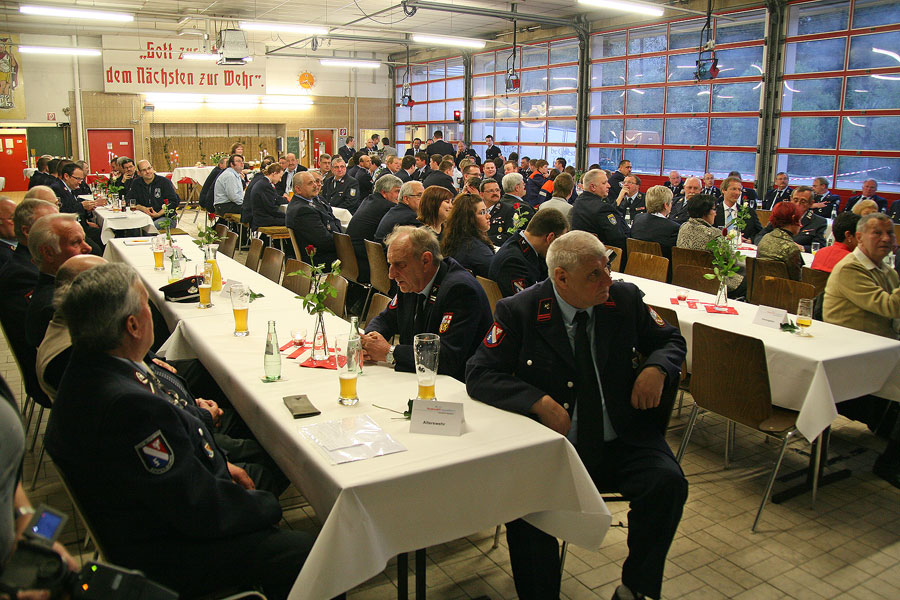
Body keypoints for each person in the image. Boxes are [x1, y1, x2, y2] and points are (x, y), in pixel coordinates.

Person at [45, 263, 313, 598]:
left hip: (142, 517)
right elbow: (197, 506)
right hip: (164, 552)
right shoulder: (129, 406)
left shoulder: (90, 366)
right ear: (133, 326)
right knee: (306, 556)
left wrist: (218, 463)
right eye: (146, 305)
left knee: (264, 461)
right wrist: (264, 507)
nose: (150, 312)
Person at [466, 230, 688, 600]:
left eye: (607, 269)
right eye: (594, 275)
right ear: (562, 278)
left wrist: (657, 368)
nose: (607, 281)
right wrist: (538, 401)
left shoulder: (624, 299)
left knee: (668, 483)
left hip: (622, 438)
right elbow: (480, 373)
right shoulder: (521, 310)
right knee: (524, 506)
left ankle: (635, 589)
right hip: (556, 450)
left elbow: (671, 340)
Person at [823, 212, 900, 487]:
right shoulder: (851, 268)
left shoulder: (886, 271)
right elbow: (890, 307)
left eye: (890, 233)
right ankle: (890, 463)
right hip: (850, 355)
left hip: (878, 348)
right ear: (858, 238)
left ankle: (887, 430)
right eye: (877, 233)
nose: (886, 239)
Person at [361, 226, 491, 381]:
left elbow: (447, 358)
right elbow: (386, 319)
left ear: (426, 261)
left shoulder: (460, 290)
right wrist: (368, 341)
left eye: (400, 265)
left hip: (457, 385)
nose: (391, 274)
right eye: (390, 264)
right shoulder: (411, 281)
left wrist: (390, 352)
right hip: (418, 377)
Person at [25, 213, 92, 347]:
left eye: (84, 240)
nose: (88, 248)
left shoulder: (57, 290)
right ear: (48, 253)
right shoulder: (56, 308)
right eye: (76, 242)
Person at [490, 208, 568, 297]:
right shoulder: (513, 261)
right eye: (559, 242)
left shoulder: (525, 248)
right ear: (550, 238)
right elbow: (524, 301)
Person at [677, 195, 744, 294]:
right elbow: (732, 259)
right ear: (705, 212)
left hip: (685, 277)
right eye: (714, 209)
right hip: (711, 280)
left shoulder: (683, 227)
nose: (715, 213)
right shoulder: (714, 234)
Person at [346, 175, 402, 281]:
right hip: (366, 260)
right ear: (384, 192)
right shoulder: (387, 207)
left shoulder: (368, 200)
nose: (399, 196)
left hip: (352, 257)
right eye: (397, 191)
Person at [286, 171, 341, 266]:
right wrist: (344, 245)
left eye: (315, 181)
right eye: (310, 183)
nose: (315, 185)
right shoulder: (303, 210)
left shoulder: (313, 200)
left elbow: (334, 220)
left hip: (328, 250)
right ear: (298, 189)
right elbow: (324, 241)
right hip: (321, 259)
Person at [571, 169, 628, 256]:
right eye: (604, 183)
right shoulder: (603, 209)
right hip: (600, 256)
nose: (609, 186)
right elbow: (617, 239)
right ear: (593, 187)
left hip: (579, 253)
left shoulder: (577, 203)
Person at [441, 193, 494, 278]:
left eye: (487, 211)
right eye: (482, 212)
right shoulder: (476, 248)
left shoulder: (454, 238)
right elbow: (496, 273)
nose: (488, 216)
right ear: (469, 219)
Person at [629, 185, 681, 261]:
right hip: (661, 266)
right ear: (666, 205)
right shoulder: (673, 228)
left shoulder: (638, 218)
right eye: (671, 202)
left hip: (635, 262)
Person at [757, 201, 804, 281]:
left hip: (762, 285)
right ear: (793, 219)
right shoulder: (791, 248)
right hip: (785, 288)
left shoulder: (765, 238)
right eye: (799, 220)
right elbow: (797, 280)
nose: (801, 225)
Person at [127, 160, 181, 226]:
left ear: (152, 168)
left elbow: (174, 202)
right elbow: (129, 200)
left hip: (166, 217)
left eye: (149, 168)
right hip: (144, 217)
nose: (148, 172)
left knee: (151, 227)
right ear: (139, 173)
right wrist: (142, 208)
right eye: (144, 170)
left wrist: (158, 214)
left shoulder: (164, 182)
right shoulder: (136, 183)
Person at [715, 176, 763, 242]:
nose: (737, 193)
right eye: (734, 189)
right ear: (723, 190)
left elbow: (760, 234)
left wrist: (751, 240)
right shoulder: (714, 211)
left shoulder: (749, 212)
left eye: (739, 190)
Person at [251, 163, 288, 228]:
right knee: (292, 221)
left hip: (261, 217)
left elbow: (275, 197)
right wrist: (286, 215)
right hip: (263, 219)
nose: (280, 180)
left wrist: (287, 201)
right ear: (274, 173)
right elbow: (271, 208)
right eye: (280, 177)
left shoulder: (264, 183)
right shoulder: (265, 186)